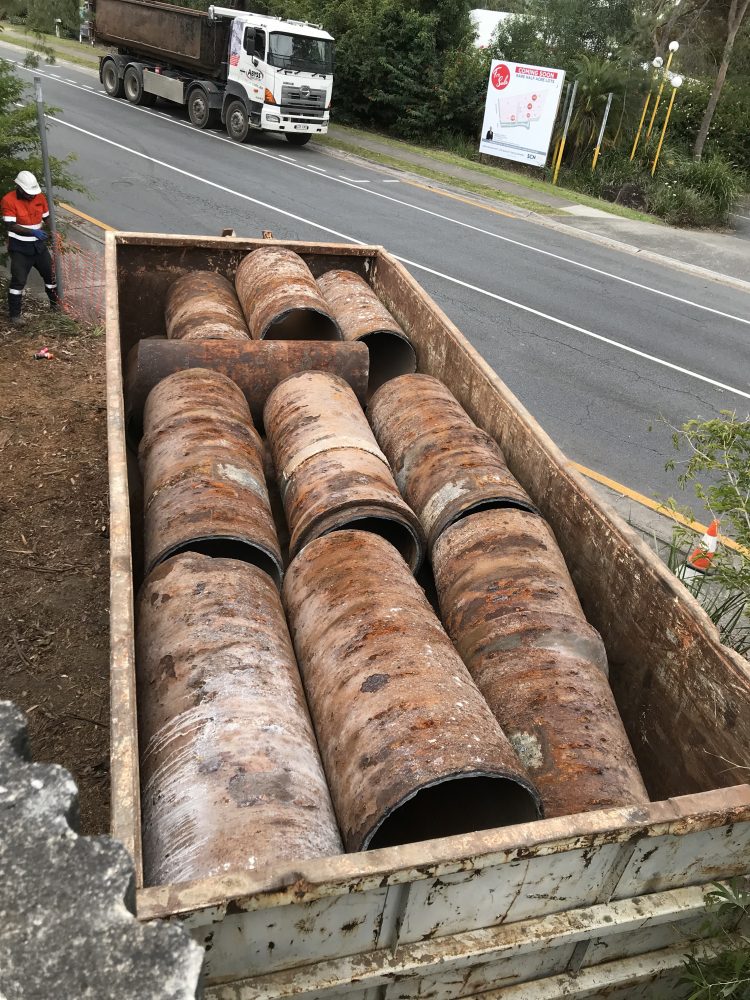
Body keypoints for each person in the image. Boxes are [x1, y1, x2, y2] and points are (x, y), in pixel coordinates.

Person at [2, 170, 58, 325]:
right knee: (18, 281)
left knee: (51, 277)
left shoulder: (39, 197)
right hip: (20, 249)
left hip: (38, 247)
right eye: (28, 193)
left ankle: (55, 306)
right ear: (19, 188)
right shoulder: (8, 200)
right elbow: (11, 225)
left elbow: (47, 217)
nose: (32, 196)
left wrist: (53, 230)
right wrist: (33, 232)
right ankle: (15, 315)